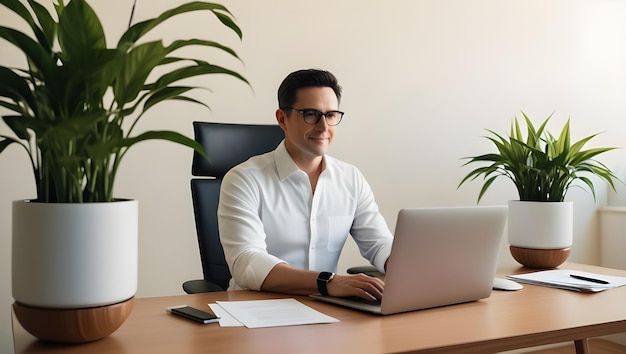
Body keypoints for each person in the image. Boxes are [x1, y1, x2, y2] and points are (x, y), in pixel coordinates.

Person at [217, 69, 393, 301]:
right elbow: (247, 262)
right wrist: (328, 282)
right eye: (310, 114)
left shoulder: (351, 178)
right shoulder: (244, 180)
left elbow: (379, 243)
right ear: (282, 119)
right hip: (257, 313)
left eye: (330, 115)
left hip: (327, 311)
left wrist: (406, 267)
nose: (323, 127)